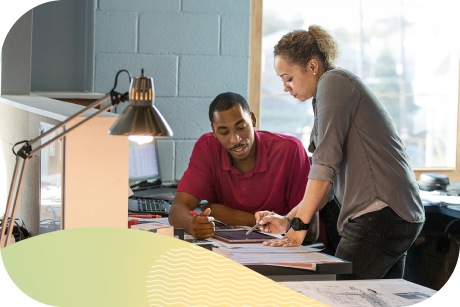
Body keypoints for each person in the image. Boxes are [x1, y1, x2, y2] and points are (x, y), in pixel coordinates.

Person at [255, 25, 425, 280]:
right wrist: (289, 221)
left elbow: (324, 165)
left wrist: (299, 226)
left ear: (313, 66)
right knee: (376, 299)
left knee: (335, 292)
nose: (285, 88)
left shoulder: (333, 83)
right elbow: (329, 185)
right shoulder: (328, 93)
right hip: (396, 215)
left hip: (380, 214)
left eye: (288, 78)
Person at [168, 92, 319, 241]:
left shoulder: (290, 150)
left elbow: (311, 230)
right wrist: (191, 224)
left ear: (252, 119)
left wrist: (236, 217)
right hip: (234, 252)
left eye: (241, 127)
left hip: (289, 251)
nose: (235, 139)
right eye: (224, 132)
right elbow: (177, 209)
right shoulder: (207, 147)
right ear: (214, 130)